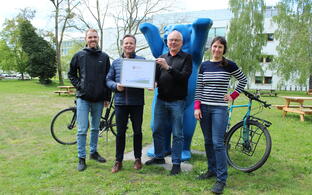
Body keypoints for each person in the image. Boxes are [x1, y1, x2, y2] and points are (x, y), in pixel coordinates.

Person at [194, 36, 247, 194]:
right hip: (204, 108)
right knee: (208, 142)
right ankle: (212, 170)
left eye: (220, 47)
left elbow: (242, 80)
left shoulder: (229, 65)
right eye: (215, 46)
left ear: (224, 50)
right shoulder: (204, 65)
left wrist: (233, 95)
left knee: (218, 143)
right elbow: (199, 88)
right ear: (211, 47)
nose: (217, 50)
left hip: (219, 109)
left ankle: (221, 179)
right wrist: (197, 107)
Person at [145, 30, 192, 175]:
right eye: (171, 40)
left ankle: (176, 163)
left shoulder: (187, 58)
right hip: (161, 100)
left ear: (181, 43)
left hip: (177, 102)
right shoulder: (162, 57)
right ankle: (159, 157)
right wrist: (152, 83)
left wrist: (168, 68)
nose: (173, 42)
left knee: (177, 133)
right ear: (167, 42)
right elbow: (157, 78)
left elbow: (184, 77)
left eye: (176, 40)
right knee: (157, 129)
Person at [68, 29, 111, 172]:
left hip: (99, 99)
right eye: (90, 37)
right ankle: (81, 157)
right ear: (86, 39)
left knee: (95, 128)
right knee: (82, 129)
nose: (93, 39)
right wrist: (80, 86)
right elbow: (71, 73)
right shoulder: (79, 55)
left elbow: (108, 78)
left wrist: (107, 97)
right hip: (83, 98)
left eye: (95, 37)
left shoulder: (104, 57)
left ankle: (93, 152)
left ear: (98, 38)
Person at [106, 34, 145, 173]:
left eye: (131, 43)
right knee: (120, 132)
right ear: (123, 44)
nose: (129, 45)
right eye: (126, 43)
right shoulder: (116, 62)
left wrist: (150, 82)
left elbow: (146, 77)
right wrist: (116, 86)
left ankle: (138, 158)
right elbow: (108, 80)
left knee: (137, 131)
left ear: (135, 45)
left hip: (137, 103)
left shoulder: (142, 61)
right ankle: (118, 161)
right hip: (121, 103)